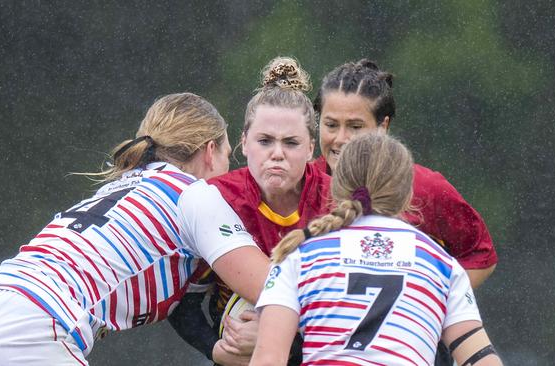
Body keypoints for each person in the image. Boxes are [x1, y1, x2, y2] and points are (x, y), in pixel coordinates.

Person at [0, 93, 271, 365]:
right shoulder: (194, 194)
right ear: (210, 152)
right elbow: (275, 289)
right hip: (26, 329)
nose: (229, 171)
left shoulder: (119, 187)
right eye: (228, 156)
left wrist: (214, 348)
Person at [250, 132, 503, 366]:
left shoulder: (299, 254)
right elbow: (480, 358)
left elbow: (268, 359)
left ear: (337, 186)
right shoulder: (442, 264)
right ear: (407, 194)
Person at [168, 57, 332, 365]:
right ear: (244, 142)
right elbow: (182, 301)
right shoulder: (215, 199)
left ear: (312, 148)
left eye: (292, 143)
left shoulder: (339, 203)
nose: (277, 154)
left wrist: (284, 338)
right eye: (265, 141)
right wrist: (215, 349)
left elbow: (358, 312)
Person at [311, 58, 497, 289]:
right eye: (331, 125)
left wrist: (440, 310)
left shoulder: (425, 187)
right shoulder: (302, 183)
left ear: (383, 127)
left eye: (355, 127)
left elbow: (480, 255)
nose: (340, 139)